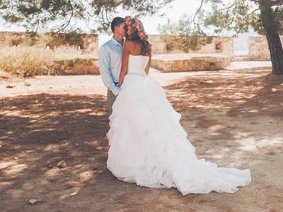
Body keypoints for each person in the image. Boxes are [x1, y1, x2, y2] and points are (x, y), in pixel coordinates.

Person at [107, 16, 251, 195]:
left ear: (132, 30)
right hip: (145, 84)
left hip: (132, 84)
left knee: (133, 125)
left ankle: (134, 161)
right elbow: (146, 71)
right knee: (156, 125)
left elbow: (123, 70)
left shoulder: (127, 46)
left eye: (127, 28)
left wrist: (120, 85)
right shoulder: (147, 47)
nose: (126, 31)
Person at [99, 17, 126, 115]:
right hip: (115, 90)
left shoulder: (129, 45)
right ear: (116, 28)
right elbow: (104, 71)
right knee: (115, 124)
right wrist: (116, 91)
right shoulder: (105, 48)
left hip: (130, 88)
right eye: (124, 27)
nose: (127, 29)